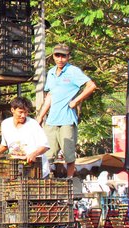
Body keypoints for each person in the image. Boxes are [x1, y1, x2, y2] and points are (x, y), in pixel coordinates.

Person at [36, 43, 97, 178]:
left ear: (68, 57)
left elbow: (91, 86)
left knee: (69, 155)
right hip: (51, 120)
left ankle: (69, 180)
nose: (60, 59)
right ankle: (44, 180)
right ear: (53, 56)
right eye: (57, 55)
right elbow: (50, 96)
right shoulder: (51, 72)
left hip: (67, 119)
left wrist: (76, 100)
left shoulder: (73, 71)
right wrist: (40, 117)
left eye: (63, 56)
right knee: (46, 154)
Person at [0, 97, 50, 178]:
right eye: (20, 112)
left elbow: (45, 146)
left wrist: (34, 154)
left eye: (26, 112)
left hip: (37, 169)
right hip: (16, 169)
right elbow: (5, 144)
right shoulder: (5, 124)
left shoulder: (33, 124)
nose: (23, 115)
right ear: (12, 110)